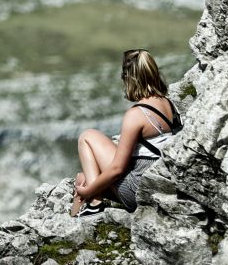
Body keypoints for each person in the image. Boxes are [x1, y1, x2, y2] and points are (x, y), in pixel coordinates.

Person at [69, 48, 181, 215]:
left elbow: (117, 169)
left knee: (87, 137)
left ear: (129, 78)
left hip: (137, 189)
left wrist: (89, 190)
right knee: (84, 178)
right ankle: (86, 206)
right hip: (158, 183)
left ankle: (92, 205)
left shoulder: (136, 114)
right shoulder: (168, 104)